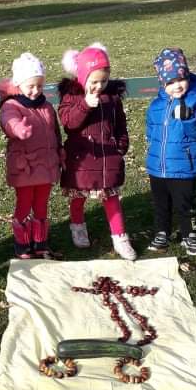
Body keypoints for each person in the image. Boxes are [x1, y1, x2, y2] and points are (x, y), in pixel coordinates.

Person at [58, 42, 136, 260]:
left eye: (104, 81)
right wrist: (85, 105)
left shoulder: (111, 99)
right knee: (78, 197)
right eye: (94, 82)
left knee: (112, 199)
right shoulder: (71, 97)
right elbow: (68, 124)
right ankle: (78, 227)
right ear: (82, 78)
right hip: (81, 160)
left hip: (107, 159)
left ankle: (120, 237)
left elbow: (120, 124)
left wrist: (121, 146)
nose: (99, 86)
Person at [147, 47, 196, 256]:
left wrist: (189, 118)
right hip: (158, 167)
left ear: (187, 75)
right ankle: (162, 233)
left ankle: (189, 235)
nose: (177, 86)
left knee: (184, 203)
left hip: (184, 166)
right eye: (170, 82)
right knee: (160, 204)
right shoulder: (156, 105)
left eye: (180, 79)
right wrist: (154, 149)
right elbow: (151, 130)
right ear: (162, 83)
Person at [0, 52, 63, 258]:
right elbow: (8, 121)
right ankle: (22, 244)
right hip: (25, 166)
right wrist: (18, 129)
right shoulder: (12, 105)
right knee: (24, 203)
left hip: (46, 165)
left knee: (42, 203)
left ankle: (40, 241)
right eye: (30, 86)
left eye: (40, 86)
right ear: (19, 85)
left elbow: (55, 132)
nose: (35, 91)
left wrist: (61, 151)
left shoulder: (46, 106)